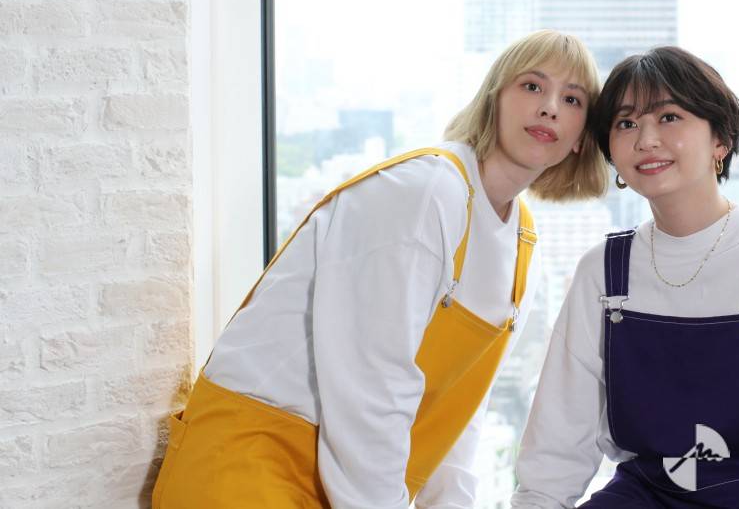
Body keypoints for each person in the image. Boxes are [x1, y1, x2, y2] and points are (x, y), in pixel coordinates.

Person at [151, 29, 608, 508]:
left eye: (572, 99)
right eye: (532, 86)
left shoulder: (521, 243)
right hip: (250, 462)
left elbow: (460, 416)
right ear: (493, 99)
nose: (549, 107)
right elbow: (371, 388)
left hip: (346, 478)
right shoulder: (427, 191)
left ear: (582, 137)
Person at [511, 46, 739, 507]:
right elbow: (556, 448)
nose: (646, 139)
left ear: (720, 140)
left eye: (669, 117)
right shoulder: (604, 270)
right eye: (626, 124)